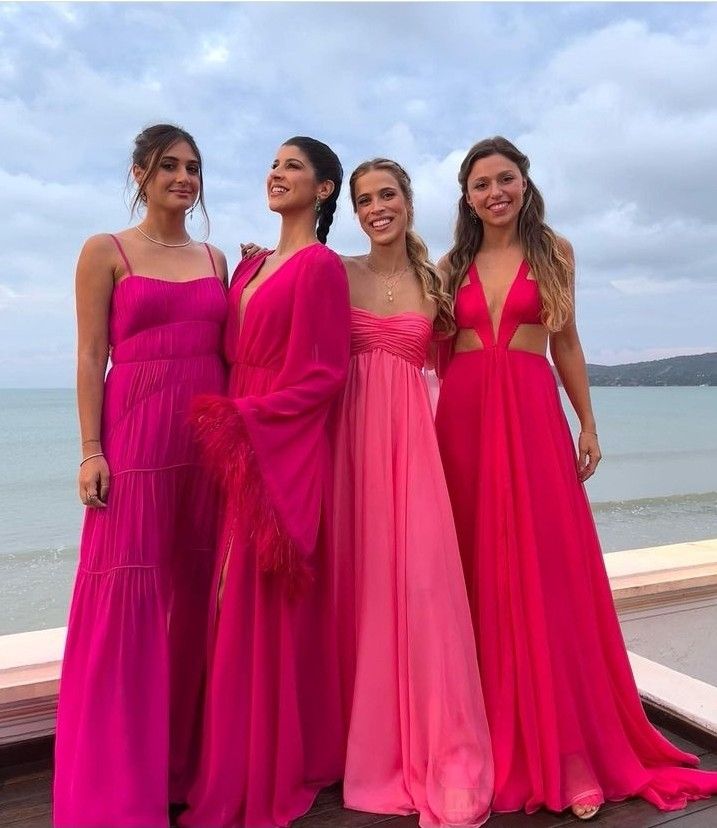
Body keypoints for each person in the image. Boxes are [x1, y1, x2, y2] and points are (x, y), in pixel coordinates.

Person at [434, 136, 717, 821]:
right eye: (480, 184)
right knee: (473, 573)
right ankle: (484, 741)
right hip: (464, 421)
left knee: (546, 574)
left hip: (532, 417)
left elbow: (565, 339)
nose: (494, 192)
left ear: (524, 185)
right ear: (466, 197)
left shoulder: (553, 251)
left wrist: (587, 423)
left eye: (505, 179)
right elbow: (423, 343)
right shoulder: (448, 263)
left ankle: (567, 751)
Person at [53, 124, 228, 828]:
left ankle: (180, 769)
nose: (183, 178)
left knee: (193, 604)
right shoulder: (106, 250)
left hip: (205, 446)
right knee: (124, 602)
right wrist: (90, 448)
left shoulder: (216, 258)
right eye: (168, 167)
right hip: (135, 439)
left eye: (192, 167)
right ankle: (114, 787)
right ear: (139, 174)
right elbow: (91, 352)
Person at [180, 137, 350, 828]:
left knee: (258, 604)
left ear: (325, 190)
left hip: (279, 446)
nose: (276, 174)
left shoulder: (320, 268)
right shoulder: (248, 268)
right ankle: (223, 755)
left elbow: (325, 375)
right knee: (223, 605)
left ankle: (263, 765)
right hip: (232, 447)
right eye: (273, 165)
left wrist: (246, 417)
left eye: (293, 167)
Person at [329, 159, 494, 828]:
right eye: (363, 199)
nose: (375, 208)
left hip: (414, 452)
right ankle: (351, 741)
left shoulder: (436, 283)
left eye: (386, 195)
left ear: (407, 201)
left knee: (421, 587)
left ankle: (432, 745)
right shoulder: (336, 273)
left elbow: (463, 371)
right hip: (346, 445)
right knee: (357, 586)